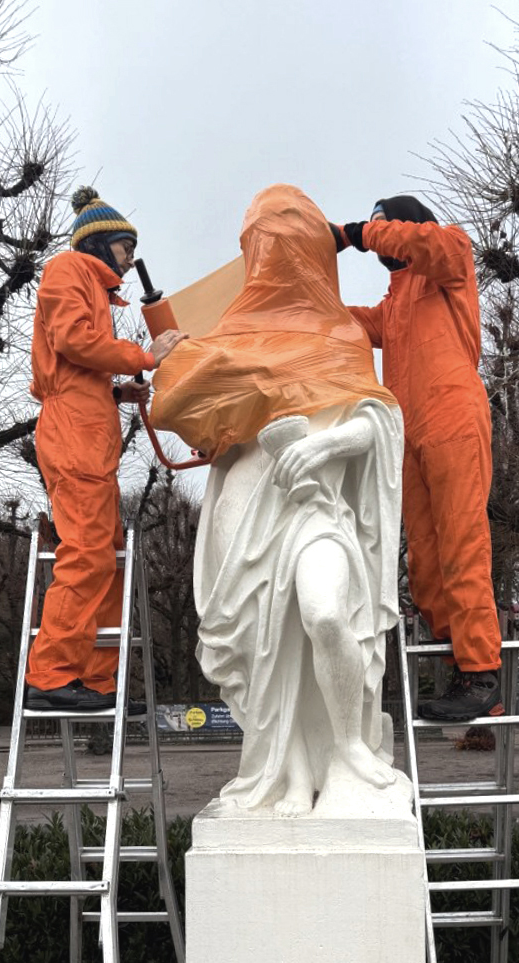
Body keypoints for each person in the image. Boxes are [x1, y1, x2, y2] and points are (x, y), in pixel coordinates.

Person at [151, 185, 406, 816]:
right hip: (246, 500)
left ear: (314, 249)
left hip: (316, 501)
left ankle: (349, 750)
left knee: (326, 614)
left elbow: (379, 419)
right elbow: (184, 412)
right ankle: (287, 772)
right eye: (264, 244)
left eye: (288, 242)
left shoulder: (343, 333)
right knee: (260, 645)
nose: (276, 255)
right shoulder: (227, 333)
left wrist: (327, 444)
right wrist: (170, 359)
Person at [338, 197, 503, 721]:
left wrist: (356, 232)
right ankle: (464, 667)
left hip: (453, 417)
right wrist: (302, 301)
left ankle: (481, 670)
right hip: (408, 434)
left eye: (386, 225)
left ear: (408, 223)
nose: (379, 238)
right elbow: (346, 323)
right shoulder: (394, 305)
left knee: (461, 543)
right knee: (425, 562)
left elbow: (425, 242)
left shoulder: (449, 256)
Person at [25, 187, 186, 711]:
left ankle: (96, 681)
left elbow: (75, 369)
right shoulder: (68, 269)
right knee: (87, 553)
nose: (130, 259)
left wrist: (118, 393)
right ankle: (51, 675)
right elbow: (72, 341)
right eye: (124, 246)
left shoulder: (90, 285)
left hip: (89, 435)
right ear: (97, 243)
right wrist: (145, 356)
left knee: (107, 559)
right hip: (74, 436)